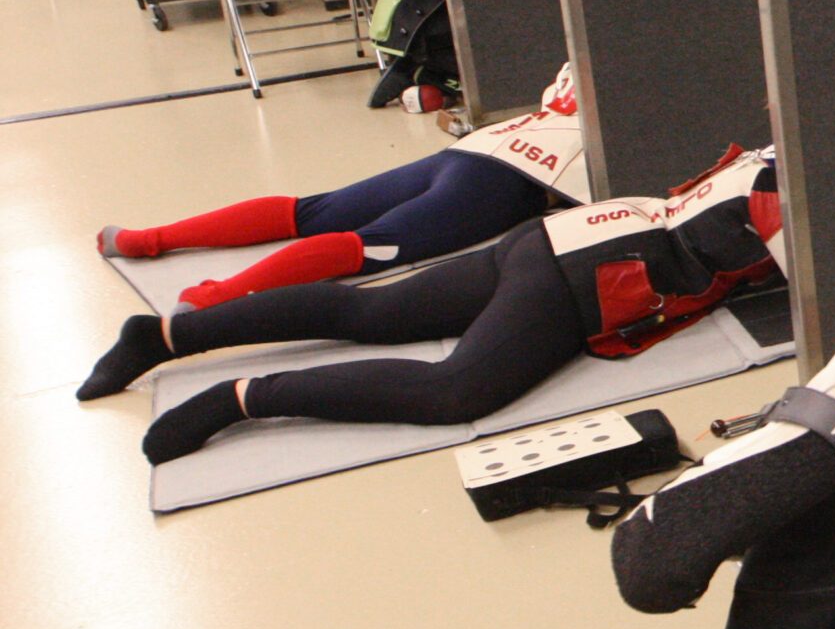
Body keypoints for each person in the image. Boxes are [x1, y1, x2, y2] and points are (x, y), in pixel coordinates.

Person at [78, 145, 783, 463]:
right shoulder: (785, 195)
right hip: (583, 276)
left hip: (557, 237)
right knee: (455, 390)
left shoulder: (768, 156)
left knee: (373, 314)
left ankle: (166, 335)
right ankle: (240, 398)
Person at [96, 64, 587, 311]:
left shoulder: (582, 59)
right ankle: (216, 299)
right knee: (369, 245)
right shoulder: (636, 89)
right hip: (518, 176)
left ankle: (147, 240)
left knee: (312, 211)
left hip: (476, 149)